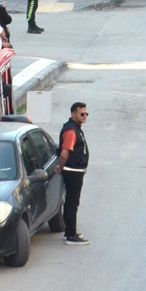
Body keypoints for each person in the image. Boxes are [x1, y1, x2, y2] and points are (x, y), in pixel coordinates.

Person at [58, 102, 92, 245]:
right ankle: (70, 235)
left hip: (76, 171)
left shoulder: (75, 128)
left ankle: (70, 232)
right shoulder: (71, 131)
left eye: (86, 114)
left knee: (72, 202)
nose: (85, 116)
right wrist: (59, 168)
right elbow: (64, 153)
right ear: (73, 114)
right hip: (72, 172)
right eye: (81, 114)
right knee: (72, 203)